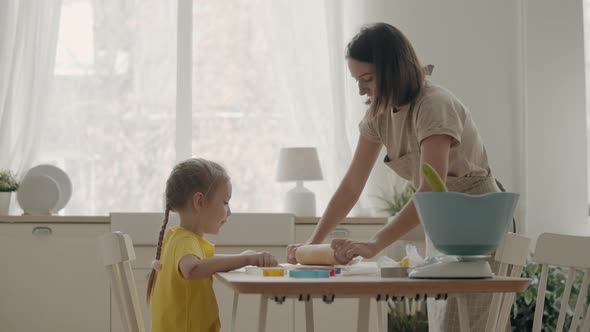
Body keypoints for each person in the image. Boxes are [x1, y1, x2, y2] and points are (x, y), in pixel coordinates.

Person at [286, 23, 505, 331]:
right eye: (357, 80)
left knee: (472, 323)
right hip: (442, 225)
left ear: (391, 71)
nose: (361, 90)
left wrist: (374, 244)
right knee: (444, 324)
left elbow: (431, 190)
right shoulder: (379, 113)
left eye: (367, 79)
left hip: (480, 221)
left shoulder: (434, 105)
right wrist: (311, 246)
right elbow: (351, 186)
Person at [147, 158, 278, 332]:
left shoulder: (176, 238)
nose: (229, 212)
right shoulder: (186, 241)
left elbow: (205, 261)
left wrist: (244, 257)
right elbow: (191, 269)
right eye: (225, 202)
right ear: (199, 201)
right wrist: (245, 259)